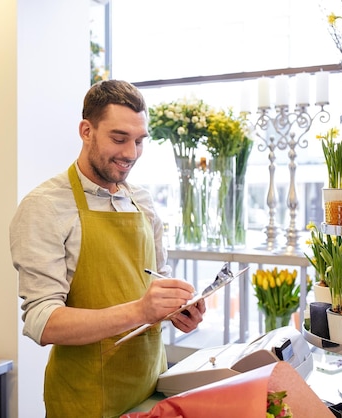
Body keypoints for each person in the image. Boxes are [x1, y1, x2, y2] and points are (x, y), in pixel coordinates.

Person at [10, 79, 206, 418]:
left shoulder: (141, 200)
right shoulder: (44, 206)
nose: (131, 153)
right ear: (86, 131)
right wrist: (141, 311)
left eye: (139, 141)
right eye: (119, 138)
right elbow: (43, 322)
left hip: (152, 389)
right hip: (84, 398)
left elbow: (154, 279)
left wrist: (177, 308)